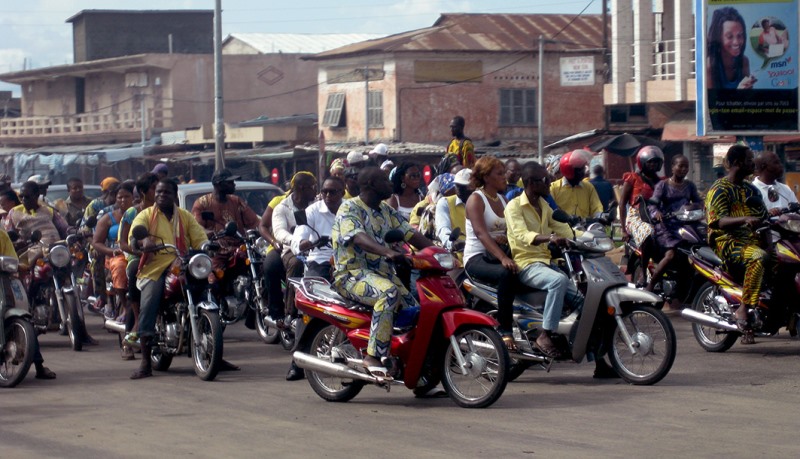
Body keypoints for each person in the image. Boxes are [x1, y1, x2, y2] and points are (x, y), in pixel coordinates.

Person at [331, 167, 433, 378]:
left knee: (418, 311)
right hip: (352, 274)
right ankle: (373, 356)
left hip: (383, 274)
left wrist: (438, 253)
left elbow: (411, 234)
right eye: (384, 180)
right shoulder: (350, 208)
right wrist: (386, 251)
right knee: (389, 294)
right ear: (370, 184)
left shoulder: (386, 211)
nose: (390, 183)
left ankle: (414, 372)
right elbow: (358, 236)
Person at [128, 178, 208, 379]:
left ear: (175, 195)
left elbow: (199, 237)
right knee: (150, 303)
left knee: (208, 292)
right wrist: (142, 240)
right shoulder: (146, 215)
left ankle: (214, 347)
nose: (162, 196)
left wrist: (207, 246)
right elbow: (135, 236)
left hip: (182, 264)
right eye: (159, 192)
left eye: (167, 193)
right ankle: (145, 362)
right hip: (155, 268)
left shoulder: (185, 216)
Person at [505, 161, 584, 357]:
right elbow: (522, 234)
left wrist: (591, 238)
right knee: (558, 281)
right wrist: (549, 238)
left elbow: (565, 230)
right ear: (531, 183)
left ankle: (597, 359)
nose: (550, 183)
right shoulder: (514, 207)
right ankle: (545, 334)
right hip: (526, 264)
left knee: (585, 302)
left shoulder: (545, 206)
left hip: (547, 263)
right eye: (546, 180)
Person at [706, 145, 772, 345]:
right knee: (757, 257)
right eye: (750, 159)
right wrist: (745, 219)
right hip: (726, 241)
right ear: (737, 163)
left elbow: (764, 219)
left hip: (752, 241)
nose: (754, 163)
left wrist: (770, 245)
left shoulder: (751, 189)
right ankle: (744, 308)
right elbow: (719, 221)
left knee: (783, 260)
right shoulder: (719, 189)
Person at [463, 157, 520, 351]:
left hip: (498, 253)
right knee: (506, 273)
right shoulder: (476, 199)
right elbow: (481, 233)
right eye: (499, 174)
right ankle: (506, 330)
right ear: (486, 177)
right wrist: (503, 258)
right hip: (477, 258)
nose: (505, 178)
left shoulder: (504, 200)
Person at [191, 168, 260, 305]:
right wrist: (208, 233)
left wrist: (261, 230)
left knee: (260, 266)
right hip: (216, 251)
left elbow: (254, 221)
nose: (234, 185)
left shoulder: (236, 201)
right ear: (218, 184)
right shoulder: (202, 203)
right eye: (230, 182)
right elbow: (196, 229)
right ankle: (215, 309)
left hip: (239, 248)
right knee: (213, 281)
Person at [0, 228, 55, 379]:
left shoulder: (2, 235)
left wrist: (19, 266)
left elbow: (12, 259)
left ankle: (38, 364)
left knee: (25, 317)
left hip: (4, 280)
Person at [118, 172, 159, 358]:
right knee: (135, 271)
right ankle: (135, 325)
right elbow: (123, 243)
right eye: (154, 188)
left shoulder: (165, 210)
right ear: (143, 192)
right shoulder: (132, 213)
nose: (158, 192)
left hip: (162, 256)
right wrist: (140, 252)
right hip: (137, 257)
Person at [648, 154, 703, 292]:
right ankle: (651, 284)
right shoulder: (663, 185)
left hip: (685, 225)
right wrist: (657, 213)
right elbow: (652, 205)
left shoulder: (690, 185)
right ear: (672, 167)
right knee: (671, 254)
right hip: (666, 226)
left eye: (686, 167)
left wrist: (694, 206)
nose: (684, 169)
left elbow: (699, 202)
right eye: (680, 166)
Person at [619, 146, 664, 287]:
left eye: (656, 162)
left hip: (656, 216)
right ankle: (643, 274)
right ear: (642, 162)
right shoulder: (632, 178)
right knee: (649, 233)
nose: (653, 165)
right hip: (636, 216)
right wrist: (623, 229)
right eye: (650, 162)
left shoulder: (662, 182)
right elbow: (622, 204)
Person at [92, 181, 135, 328]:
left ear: (134, 197)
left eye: (127, 197)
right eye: (120, 197)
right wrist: (112, 251)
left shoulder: (141, 214)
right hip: (115, 256)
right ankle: (125, 307)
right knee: (120, 266)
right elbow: (96, 242)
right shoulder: (108, 218)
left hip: (137, 254)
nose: (123, 200)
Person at [292, 176, 345, 280]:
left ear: (342, 193)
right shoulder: (312, 211)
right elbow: (299, 234)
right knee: (316, 288)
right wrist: (302, 242)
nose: (328, 195)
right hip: (321, 259)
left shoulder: (351, 208)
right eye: (324, 192)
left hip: (349, 259)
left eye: (332, 192)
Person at [706, 7, 756, 89]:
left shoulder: (744, 61)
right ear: (718, 38)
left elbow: (748, 98)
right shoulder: (709, 66)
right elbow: (711, 101)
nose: (736, 42)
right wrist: (738, 92)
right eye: (729, 36)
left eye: (740, 35)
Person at [549, 149, 603, 218]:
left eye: (583, 168)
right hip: (562, 227)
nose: (584, 171)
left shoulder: (588, 187)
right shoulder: (554, 188)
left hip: (585, 227)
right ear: (569, 171)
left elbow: (597, 207)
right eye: (580, 170)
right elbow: (550, 211)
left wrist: (601, 216)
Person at [436, 168, 472, 251]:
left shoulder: (482, 202)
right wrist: (452, 243)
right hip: (457, 253)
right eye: (457, 185)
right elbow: (443, 229)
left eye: (464, 186)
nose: (459, 188)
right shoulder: (445, 202)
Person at [752, 151, 798, 215]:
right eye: (776, 163)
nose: (781, 166)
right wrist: (768, 213)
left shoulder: (786, 189)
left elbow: (797, 213)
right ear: (764, 166)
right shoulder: (751, 190)